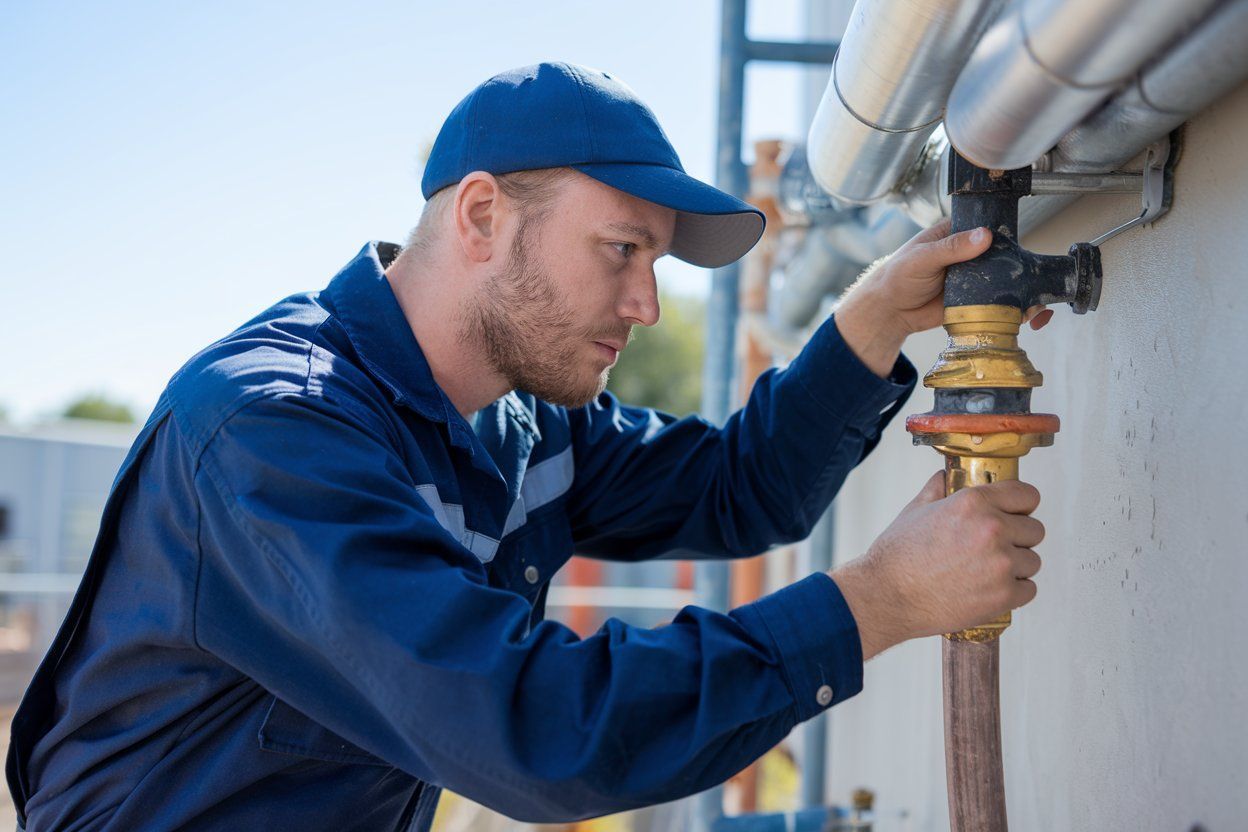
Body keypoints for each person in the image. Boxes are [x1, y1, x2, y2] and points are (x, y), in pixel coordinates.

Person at [6, 62, 1045, 832]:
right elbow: (534, 731)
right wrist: (875, 604)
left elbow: (740, 490)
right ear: (481, 215)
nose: (645, 303)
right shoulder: (271, 432)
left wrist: (868, 321)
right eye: (622, 250)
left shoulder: (527, 418)